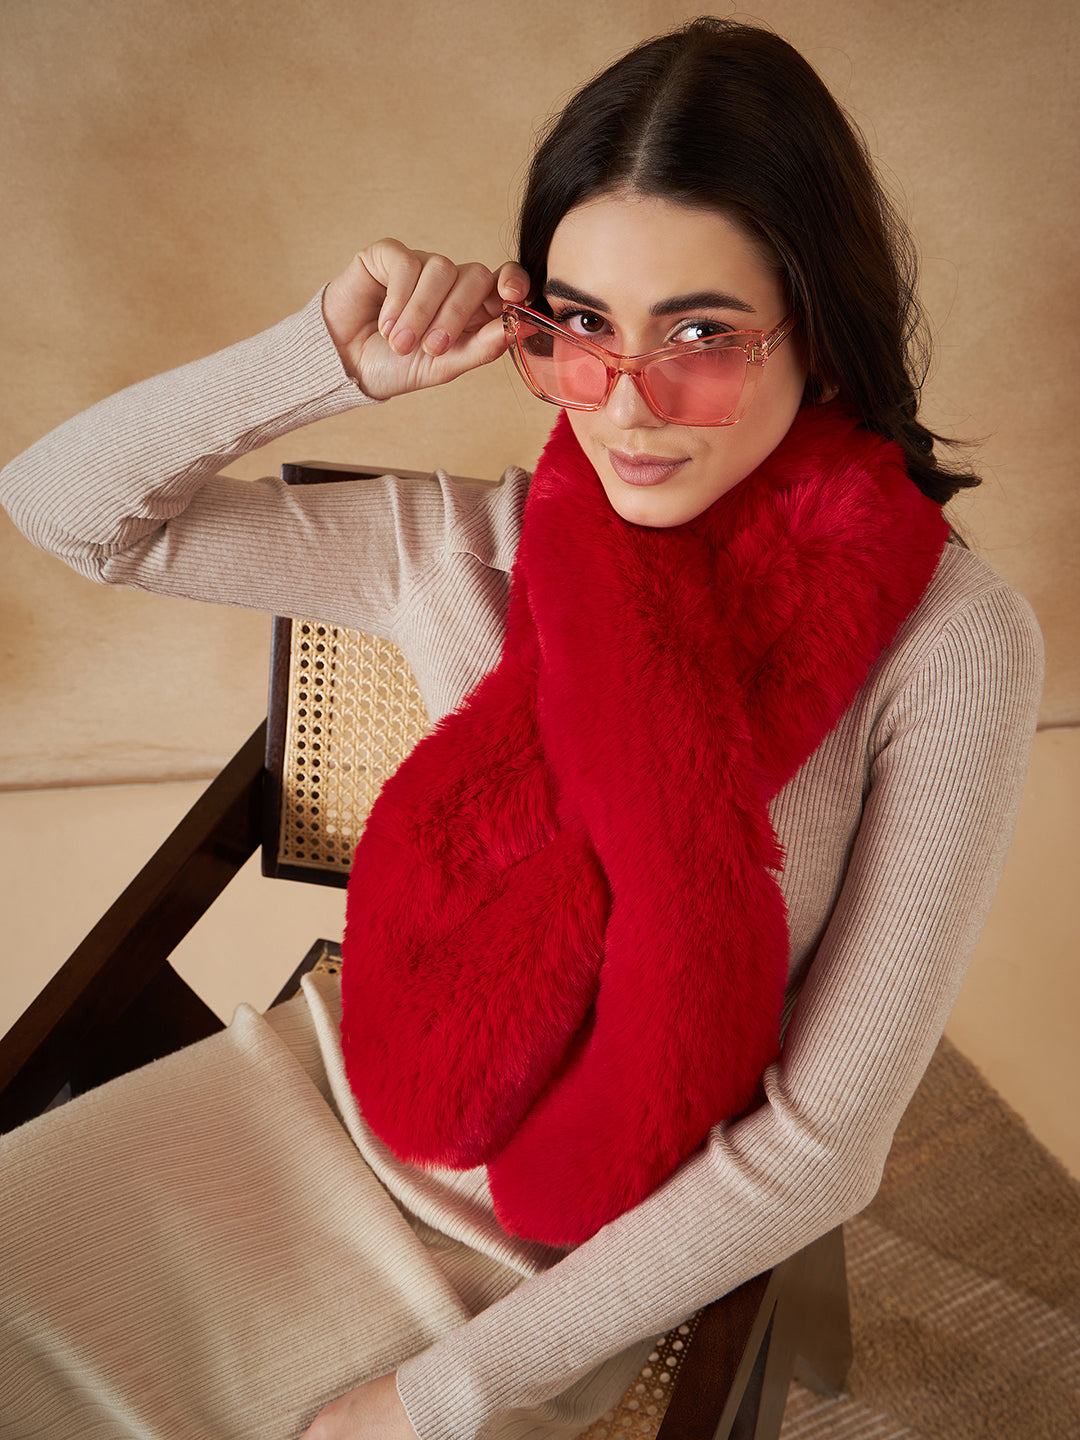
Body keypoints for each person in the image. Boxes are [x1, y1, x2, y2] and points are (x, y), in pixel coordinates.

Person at [0, 17, 1042, 1440]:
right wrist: (322, 359)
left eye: (701, 336)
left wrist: (434, 1400)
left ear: (821, 323)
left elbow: (821, 1147)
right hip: (329, 1089)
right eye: (581, 328)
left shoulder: (950, 643)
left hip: (567, 1250)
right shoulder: (471, 546)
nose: (628, 407)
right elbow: (69, 511)